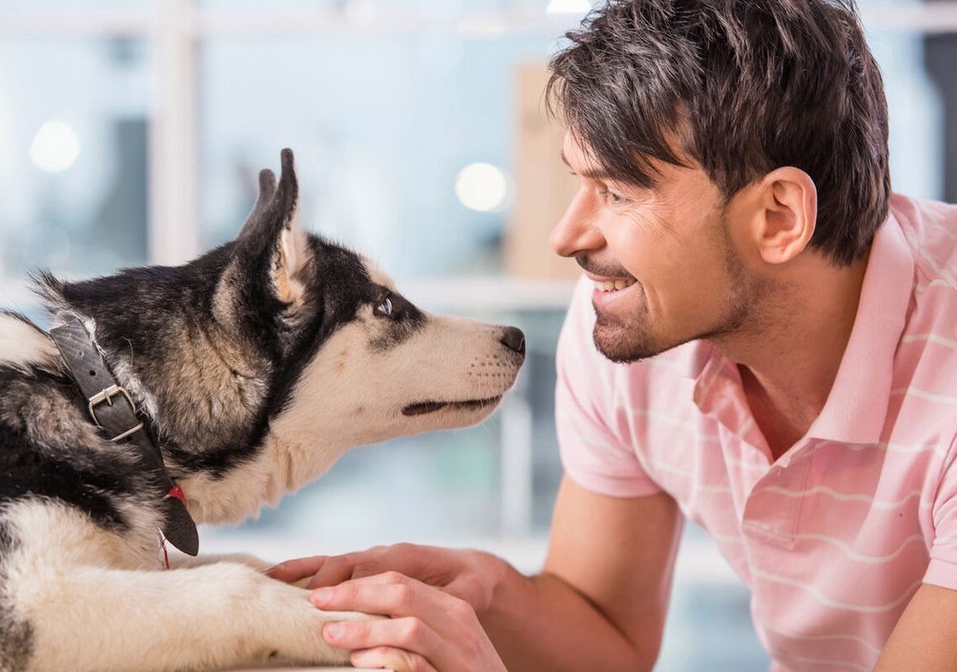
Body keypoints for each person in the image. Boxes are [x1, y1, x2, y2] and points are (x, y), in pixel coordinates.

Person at [268, 1, 957, 670]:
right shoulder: (641, 323)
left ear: (779, 217)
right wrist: (487, 595)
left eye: (619, 192)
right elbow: (608, 636)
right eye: (578, 180)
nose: (566, 236)